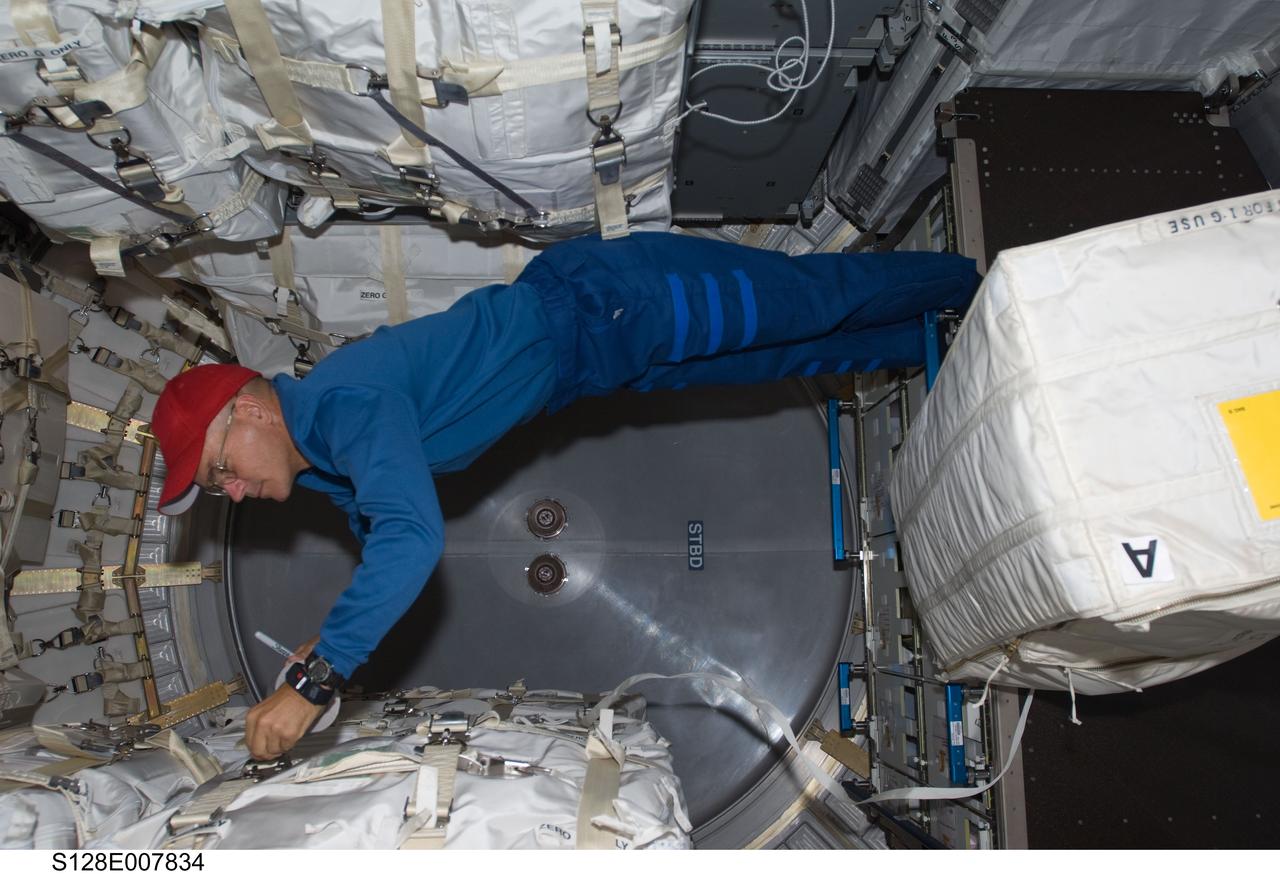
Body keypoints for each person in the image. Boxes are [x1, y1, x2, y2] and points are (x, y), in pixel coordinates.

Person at [151, 231, 979, 758]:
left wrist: (316, 680)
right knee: (781, 358)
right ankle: (935, 337)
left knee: (808, 301)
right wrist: (315, 649)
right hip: (595, 361)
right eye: (218, 487)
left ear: (249, 407)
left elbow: (412, 540)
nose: (232, 489)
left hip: (608, 304)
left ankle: (979, 287)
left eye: (221, 464)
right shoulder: (328, 458)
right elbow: (381, 540)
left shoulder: (343, 406)